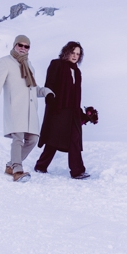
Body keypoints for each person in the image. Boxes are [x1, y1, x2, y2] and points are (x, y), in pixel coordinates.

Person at [0, 34, 51, 181]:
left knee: (33, 139)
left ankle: (11, 165)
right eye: (20, 45)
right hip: (15, 108)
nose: (23, 48)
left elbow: (32, 88)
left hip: (30, 110)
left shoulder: (29, 65)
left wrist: (46, 92)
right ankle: (17, 171)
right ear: (14, 45)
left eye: (26, 46)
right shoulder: (5, 62)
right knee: (18, 139)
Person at [34, 41, 97, 179]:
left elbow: (75, 95)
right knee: (53, 140)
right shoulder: (56, 64)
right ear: (66, 52)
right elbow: (49, 84)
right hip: (58, 109)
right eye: (73, 53)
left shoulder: (77, 72)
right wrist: (50, 99)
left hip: (73, 112)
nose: (75, 56)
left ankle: (77, 171)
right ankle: (41, 166)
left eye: (78, 54)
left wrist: (83, 115)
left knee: (74, 139)